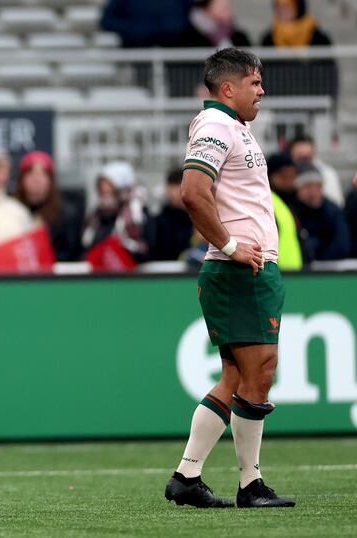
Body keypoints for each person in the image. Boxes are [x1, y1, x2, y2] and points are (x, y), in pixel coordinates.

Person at [165, 48, 295, 509]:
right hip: (240, 270)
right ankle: (250, 484)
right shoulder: (218, 126)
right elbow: (193, 192)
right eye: (255, 83)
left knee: (238, 376)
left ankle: (187, 476)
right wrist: (233, 246)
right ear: (228, 88)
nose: (262, 91)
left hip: (241, 268)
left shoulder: (230, 128)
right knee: (259, 373)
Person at [14, 150, 84, 262]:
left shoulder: (67, 213)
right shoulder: (10, 209)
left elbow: (72, 253)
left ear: (51, 180)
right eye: (30, 173)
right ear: (21, 179)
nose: (36, 179)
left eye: (43, 174)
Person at [260, 0, 337, 98]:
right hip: (280, 100)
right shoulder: (268, 39)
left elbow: (327, 75)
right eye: (278, 6)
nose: (282, 10)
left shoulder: (318, 38)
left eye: (287, 5)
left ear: (298, 6)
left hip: (312, 99)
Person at [294, 163, 350, 261]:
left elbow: (342, 243)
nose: (312, 191)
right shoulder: (293, 211)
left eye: (316, 186)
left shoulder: (333, 210)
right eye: (307, 186)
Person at [145, 168, 194, 261]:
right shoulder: (159, 218)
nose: (177, 194)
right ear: (167, 189)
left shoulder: (196, 218)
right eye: (173, 187)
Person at [266, 153, 304, 270]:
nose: (288, 182)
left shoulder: (290, 204)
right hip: (276, 275)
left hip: (293, 275)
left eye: (292, 176)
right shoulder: (266, 204)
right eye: (283, 176)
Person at [288, 134, 344, 207]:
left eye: (307, 157)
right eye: (300, 157)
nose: (304, 161)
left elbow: (336, 203)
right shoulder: (287, 175)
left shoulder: (327, 174)